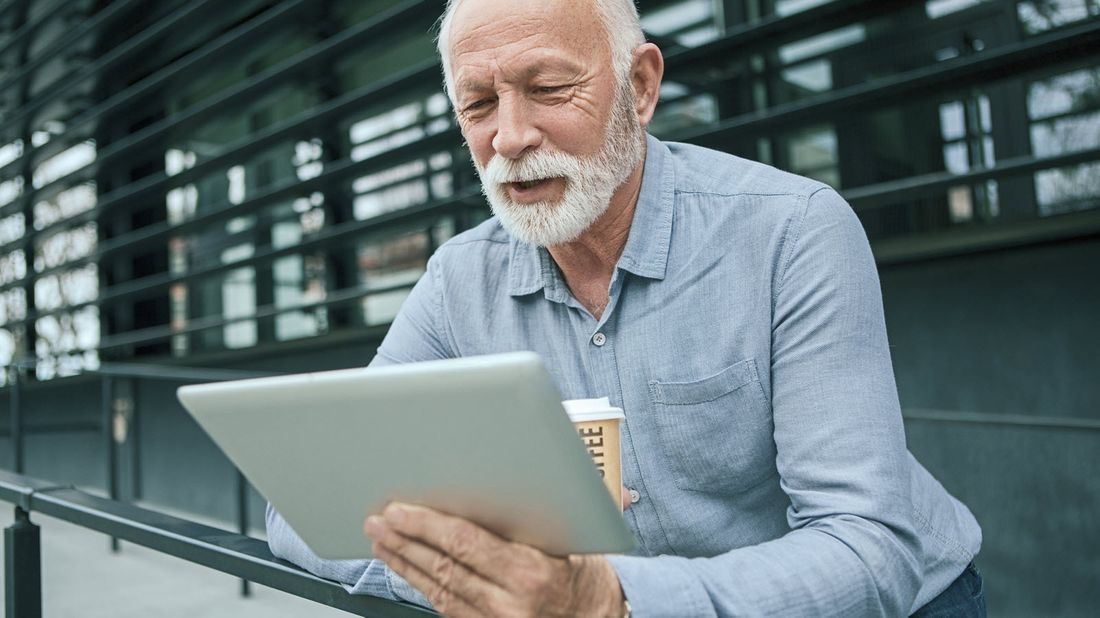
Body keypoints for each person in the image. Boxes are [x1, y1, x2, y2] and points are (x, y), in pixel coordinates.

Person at [267, 0, 986, 615]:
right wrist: (495, 583)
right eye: (479, 104)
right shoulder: (459, 280)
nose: (510, 138)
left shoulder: (791, 230)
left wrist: (603, 599)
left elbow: (870, 548)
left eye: (547, 87)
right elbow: (307, 508)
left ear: (639, 88)